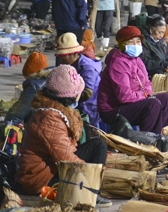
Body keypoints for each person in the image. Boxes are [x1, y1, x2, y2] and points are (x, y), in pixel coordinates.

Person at [16, 64, 109, 196]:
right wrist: (89, 174)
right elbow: (66, 160)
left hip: (50, 168)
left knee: (98, 145)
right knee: (96, 150)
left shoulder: (56, 111)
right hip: (40, 180)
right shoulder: (49, 119)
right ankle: (89, 194)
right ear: (69, 97)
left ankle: (91, 191)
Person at [98, 26, 168, 134]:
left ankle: (162, 134)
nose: (136, 45)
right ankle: (149, 141)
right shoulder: (117, 63)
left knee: (166, 99)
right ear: (123, 45)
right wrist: (145, 96)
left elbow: (147, 83)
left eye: (138, 42)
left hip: (133, 102)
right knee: (152, 104)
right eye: (131, 42)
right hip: (113, 110)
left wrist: (146, 94)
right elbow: (124, 97)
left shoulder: (137, 60)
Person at [56, 32, 102, 126]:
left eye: (63, 56)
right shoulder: (71, 64)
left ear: (74, 54)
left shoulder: (87, 67)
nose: (61, 59)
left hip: (90, 107)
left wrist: (66, 100)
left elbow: (88, 92)